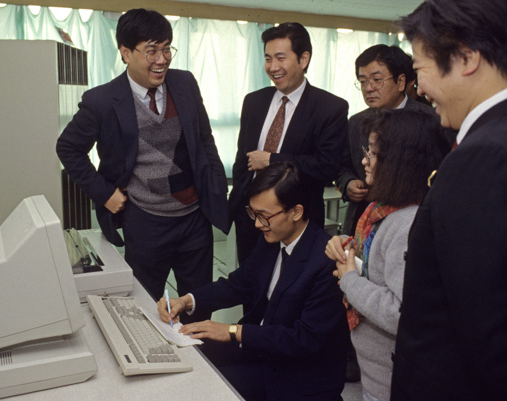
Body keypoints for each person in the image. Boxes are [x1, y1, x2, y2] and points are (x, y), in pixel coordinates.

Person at [56, 9, 228, 321]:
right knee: (144, 309)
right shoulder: (102, 101)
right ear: (125, 52)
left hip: (194, 220)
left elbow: (204, 140)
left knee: (199, 305)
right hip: (145, 222)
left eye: (166, 49)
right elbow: (68, 148)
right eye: (151, 51)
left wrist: (214, 185)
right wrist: (104, 193)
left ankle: (205, 367)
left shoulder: (185, 83)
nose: (161, 59)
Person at [391, 1, 507, 400]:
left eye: (420, 70)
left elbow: (486, 328)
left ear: (465, 58)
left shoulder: (484, 155)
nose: (419, 89)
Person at [158, 161, 348, 401]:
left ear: (296, 212)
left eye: (265, 216)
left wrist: (232, 331)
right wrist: (186, 301)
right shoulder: (272, 239)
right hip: (262, 349)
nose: (257, 224)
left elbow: (303, 339)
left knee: (203, 389)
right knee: (187, 357)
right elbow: (239, 284)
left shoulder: (326, 260)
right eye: (253, 213)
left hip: (298, 373)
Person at [326, 109, 449, 401]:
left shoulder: (407, 222)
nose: (364, 161)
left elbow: (401, 312)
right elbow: (376, 259)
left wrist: (349, 279)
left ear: (401, 162)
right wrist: (347, 244)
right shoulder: (381, 210)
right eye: (366, 150)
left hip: (394, 380)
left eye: (373, 153)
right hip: (377, 372)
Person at [228, 22, 348, 264]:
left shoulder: (329, 107)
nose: (272, 67)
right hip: (252, 220)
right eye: (268, 58)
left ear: (303, 59)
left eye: (280, 58)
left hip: (296, 223)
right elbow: (243, 160)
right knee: (250, 289)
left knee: (292, 293)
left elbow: (327, 166)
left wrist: (273, 160)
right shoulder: (254, 102)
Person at [336, 45, 438, 238]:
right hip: (363, 218)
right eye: (363, 81)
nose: (369, 88)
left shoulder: (429, 120)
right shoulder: (356, 122)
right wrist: (348, 183)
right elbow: (343, 166)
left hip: (410, 222)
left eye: (376, 80)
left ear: (401, 82)